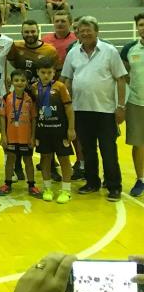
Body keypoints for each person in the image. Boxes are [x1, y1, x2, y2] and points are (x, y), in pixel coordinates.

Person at [62, 16, 126, 202]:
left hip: (105, 111)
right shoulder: (73, 53)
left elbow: (120, 79)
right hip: (81, 110)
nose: (85, 33)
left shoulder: (110, 51)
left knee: (108, 150)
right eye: (82, 31)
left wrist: (120, 106)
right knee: (87, 150)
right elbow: (67, 80)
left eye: (89, 30)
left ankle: (114, 186)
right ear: (78, 34)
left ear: (96, 31)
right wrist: (67, 107)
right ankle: (92, 182)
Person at [33, 57, 75, 204]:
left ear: (54, 73)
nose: (46, 75)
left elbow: (69, 108)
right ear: (38, 72)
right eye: (43, 72)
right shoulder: (33, 88)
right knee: (45, 159)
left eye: (49, 72)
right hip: (43, 131)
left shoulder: (60, 87)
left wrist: (71, 128)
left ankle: (66, 190)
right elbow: (33, 112)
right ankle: (47, 188)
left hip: (60, 130)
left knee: (64, 159)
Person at [0, 70, 40, 197]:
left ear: (27, 82)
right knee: (10, 159)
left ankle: (31, 185)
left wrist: (33, 137)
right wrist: (3, 136)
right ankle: (7, 183)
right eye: (16, 80)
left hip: (26, 137)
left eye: (22, 80)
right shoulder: (6, 98)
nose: (19, 83)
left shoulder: (30, 99)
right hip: (11, 136)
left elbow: (34, 119)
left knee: (28, 160)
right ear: (12, 82)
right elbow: (2, 117)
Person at [122, 13, 144, 197]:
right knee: (138, 144)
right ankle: (140, 179)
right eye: (141, 25)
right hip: (137, 103)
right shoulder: (130, 49)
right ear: (137, 28)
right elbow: (125, 75)